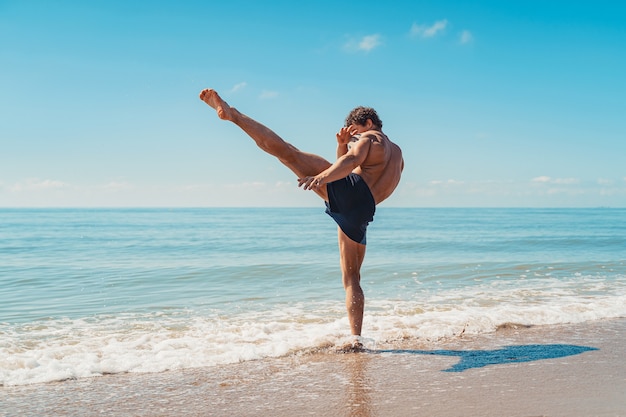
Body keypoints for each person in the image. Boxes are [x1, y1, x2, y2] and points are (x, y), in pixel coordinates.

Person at [199, 89, 404, 348]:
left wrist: (323, 177)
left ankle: (233, 115)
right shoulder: (398, 155)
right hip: (364, 211)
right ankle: (356, 338)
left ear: (369, 123)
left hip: (352, 192)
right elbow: (356, 165)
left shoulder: (371, 139)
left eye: (354, 132)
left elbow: (351, 161)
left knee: (287, 152)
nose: (354, 138)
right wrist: (340, 148)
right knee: (352, 277)